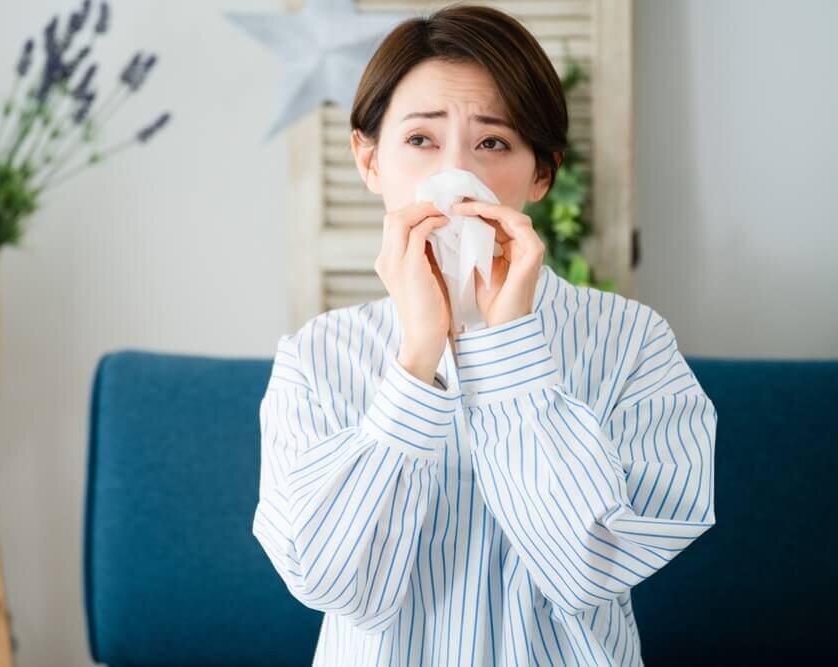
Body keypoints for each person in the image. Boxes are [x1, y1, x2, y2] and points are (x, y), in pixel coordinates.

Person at [252, 5, 716, 665]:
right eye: (420, 140)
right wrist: (417, 360)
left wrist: (508, 352)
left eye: (492, 143)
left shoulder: (633, 343)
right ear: (369, 160)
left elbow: (587, 567)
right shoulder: (317, 356)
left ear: (541, 173)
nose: (454, 178)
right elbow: (328, 579)